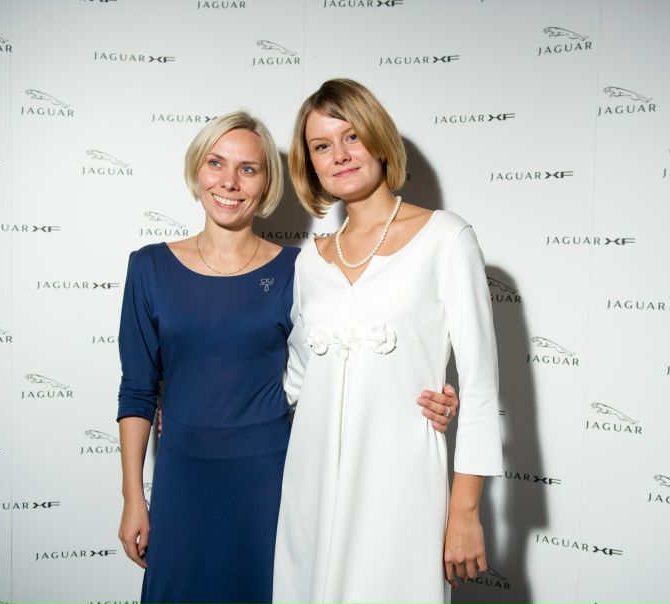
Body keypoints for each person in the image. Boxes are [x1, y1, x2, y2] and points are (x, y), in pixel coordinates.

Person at [116, 111, 460, 604]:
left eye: (248, 169)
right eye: (216, 162)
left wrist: (426, 397)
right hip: (181, 477)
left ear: (266, 185)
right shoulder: (149, 266)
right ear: (197, 170)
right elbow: (136, 390)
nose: (229, 182)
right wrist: (133, 496)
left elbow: (342, 355)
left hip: (271, 477)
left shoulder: (301, 268)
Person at [273, 79, 503, 604]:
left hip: (399, 483)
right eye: (321, 146)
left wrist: (465, 511)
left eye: (351, 136)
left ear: (378, 139)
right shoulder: (310, 260)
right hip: (309, 485)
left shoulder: (447, 238)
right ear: (311, 164)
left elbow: (480, 384)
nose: (339, 155)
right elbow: (294, 383)